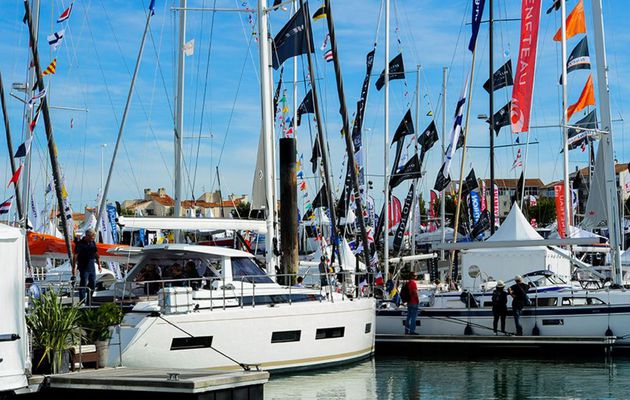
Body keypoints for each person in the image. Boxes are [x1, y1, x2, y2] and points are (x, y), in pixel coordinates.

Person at [72, 229, 101, 303]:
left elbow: (96, 254)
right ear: (87, 236)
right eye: (92, 237)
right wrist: (74, 267)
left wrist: (99, 265)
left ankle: (89, 300)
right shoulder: (80, 244)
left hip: (92, 267)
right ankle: (82, 301)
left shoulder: (92, 242)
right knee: (83, 284)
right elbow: (75, 256)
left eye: (94, 237)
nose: (93, 238)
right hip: (83, 267)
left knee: (93, 284)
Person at [405, 271, 420, 335]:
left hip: (409, 302)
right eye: (415, 275)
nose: (416, 276)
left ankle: (406, 330)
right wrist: (418, 300)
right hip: (414, 302)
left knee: (408, 317)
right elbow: (415, 292)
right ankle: (412, 331)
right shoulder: (413, 283)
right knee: (413, 317)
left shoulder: (408, 283)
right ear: (413, 276)